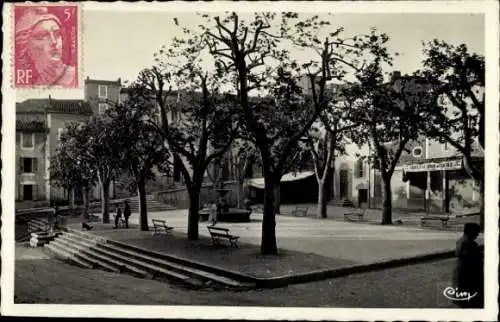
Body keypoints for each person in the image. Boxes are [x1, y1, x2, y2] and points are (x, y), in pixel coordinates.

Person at [15, 7, 77, 86]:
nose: (54, 42)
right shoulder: (24, 80)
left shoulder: (74, 78)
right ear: (25, 46)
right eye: (42, 36)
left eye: (57, 34)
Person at [452, 222, 483, 308]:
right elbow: (458, 253)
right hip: (466, 271)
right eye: (476, 232)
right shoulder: (463, 243)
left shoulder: (470, 243)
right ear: (469, 232)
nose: (477, 235)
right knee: (466, 291)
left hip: (470, 271)